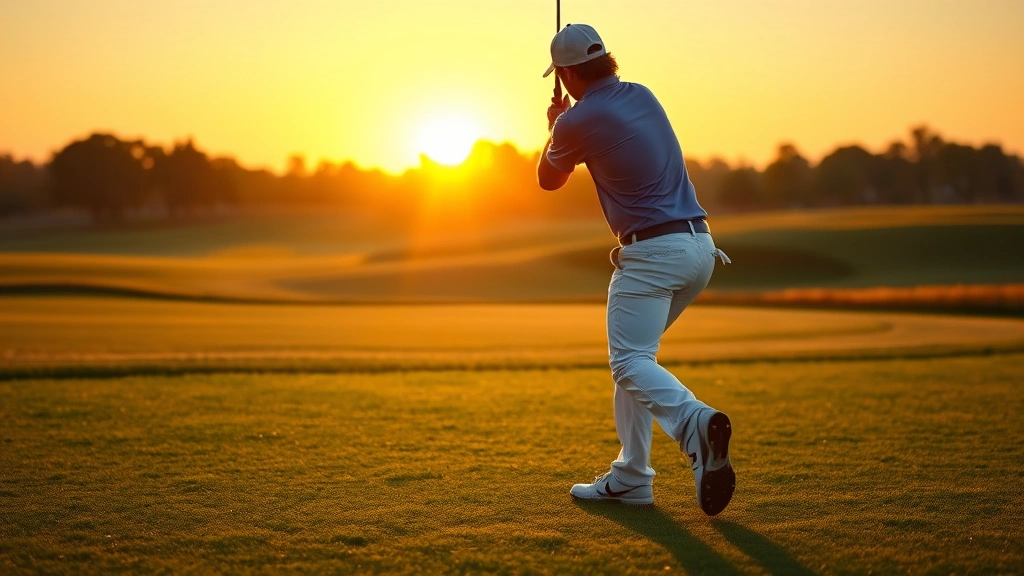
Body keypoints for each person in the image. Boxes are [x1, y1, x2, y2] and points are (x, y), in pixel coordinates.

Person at [536, 23, 735, 515]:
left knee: (628, 363)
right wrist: (568, 122)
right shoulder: (641, 94)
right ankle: (631, 478)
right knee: (635, 361)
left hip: (652, 255)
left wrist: (556, 127)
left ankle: (694, 424)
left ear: (565, 75)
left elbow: (548, 180)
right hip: (699, 249)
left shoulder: (576, 122)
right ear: (606, 61)